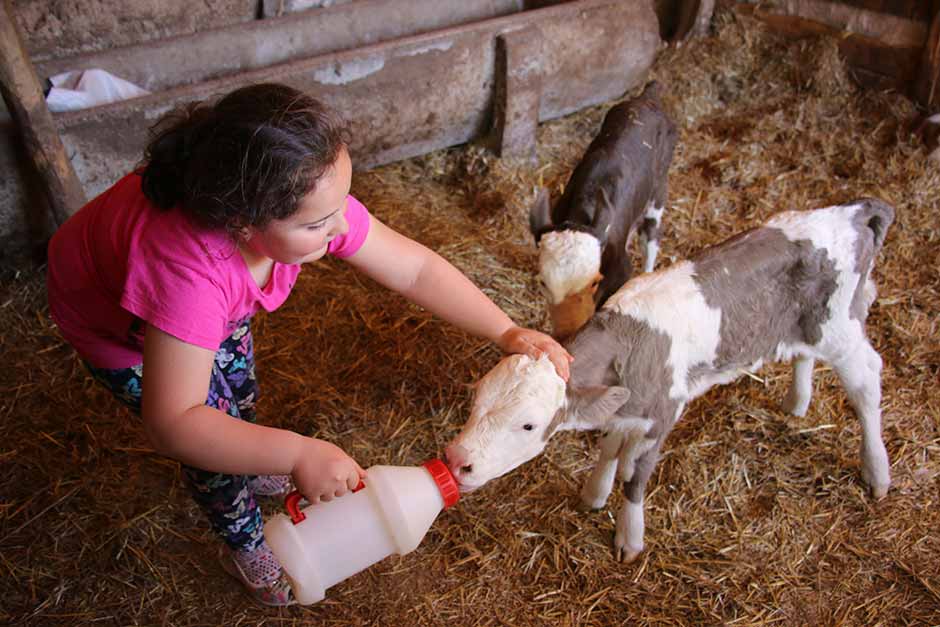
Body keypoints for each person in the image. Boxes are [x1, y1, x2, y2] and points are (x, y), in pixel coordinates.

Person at [46, 82, 572, 606]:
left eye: (342, 202)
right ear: (241, 220)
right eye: (320, 222)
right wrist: (299, 451)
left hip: (201, 308)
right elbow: (175, 421)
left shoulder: (295, 198)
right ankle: (247, 542)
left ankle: (249, 451)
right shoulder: (190, 273)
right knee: (211, 442)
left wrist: (506, 330)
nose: (342, 226)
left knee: (236, 395)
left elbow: (413, 269)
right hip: (119, 327)